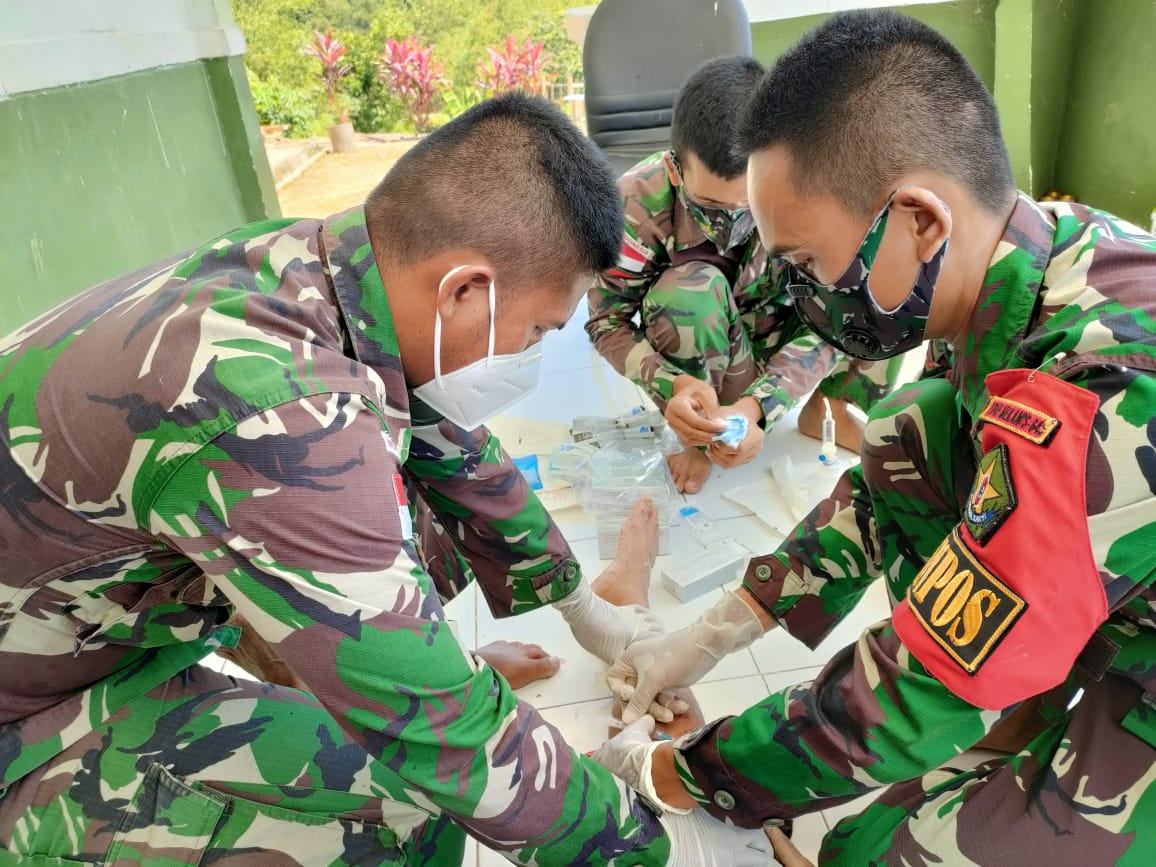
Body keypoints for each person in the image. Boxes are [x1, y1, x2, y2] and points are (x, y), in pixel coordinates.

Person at [0, 94, 779, 866]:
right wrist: (636, 828)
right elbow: (450, 739)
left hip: (92, 628)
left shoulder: (317, 266)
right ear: (463, 290)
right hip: (30, 716)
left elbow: (452, 449)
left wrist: (583, 609)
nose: (535, 352)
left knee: (418, 550)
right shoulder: (265, 401)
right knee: (407, 819)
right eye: (538, 329)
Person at [594, 11, 1156, 865]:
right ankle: (1018, 700)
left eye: (808, 264)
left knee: (878, 855)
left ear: (919, 221)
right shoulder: (1022, 262)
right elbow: (876, 492)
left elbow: (909, 692)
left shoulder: (1102, 385)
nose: (798, 295)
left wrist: (682, 774)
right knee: (910, 425)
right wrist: (713, 630)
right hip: (1115, 586)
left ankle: (1023, 700)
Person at [586, 56, 903, 493]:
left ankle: (832, 403)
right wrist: (673, 383)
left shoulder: (810, 189)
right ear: (677, 170)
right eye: (712, 206)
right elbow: (607, 322)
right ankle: (703, 433)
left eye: (750, 203)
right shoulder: (636, 207)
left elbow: (839, 312)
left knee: (884, 273)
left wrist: (760, 407)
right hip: (707, 353)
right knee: (688, 292)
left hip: (790, 327)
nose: (733, 221)